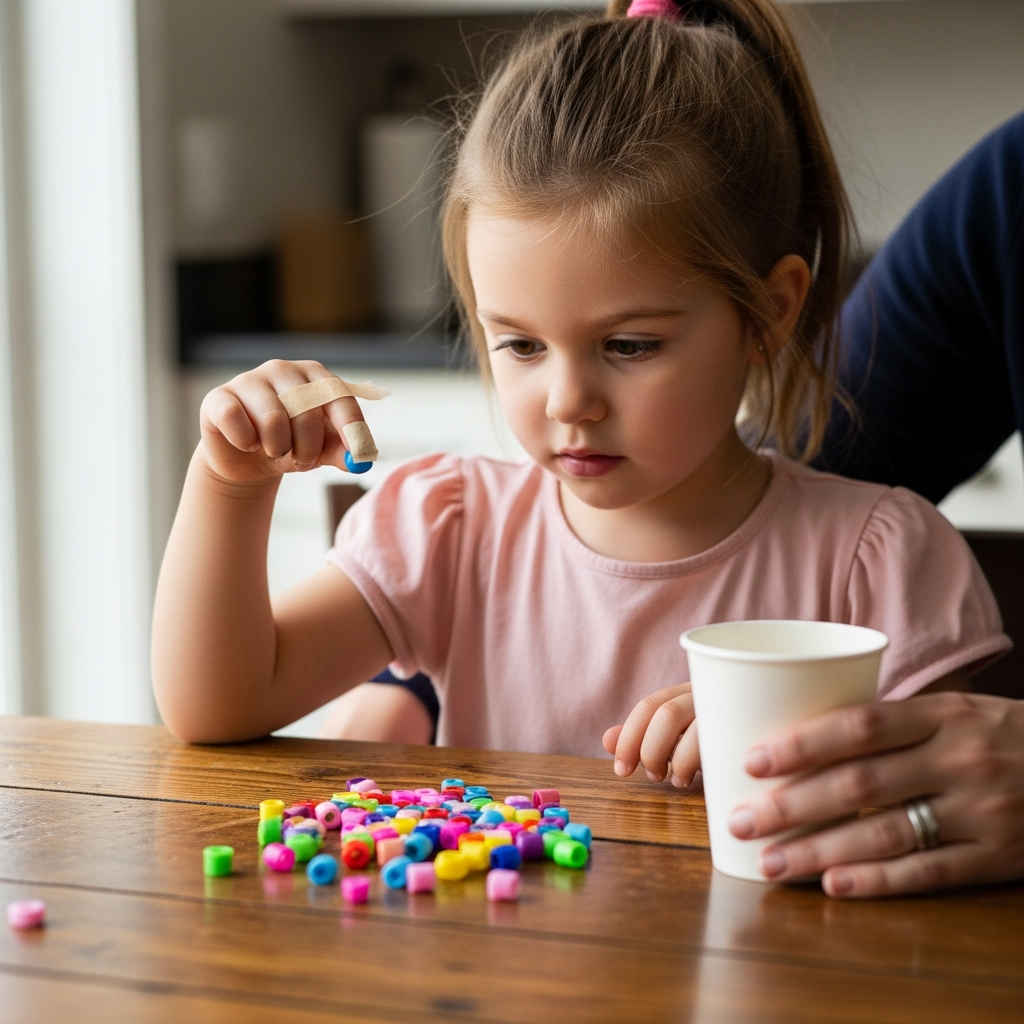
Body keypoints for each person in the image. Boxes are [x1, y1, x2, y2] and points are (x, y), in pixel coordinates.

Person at [151, 0, 1013, 895]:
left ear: (771, 312)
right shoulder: (449, 527)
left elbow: (947, 831)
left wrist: (782, 742)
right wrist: (228, 483)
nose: (568, 402)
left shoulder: (879, 561)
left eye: (629, 346)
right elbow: (219, 705)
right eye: (520, 345)